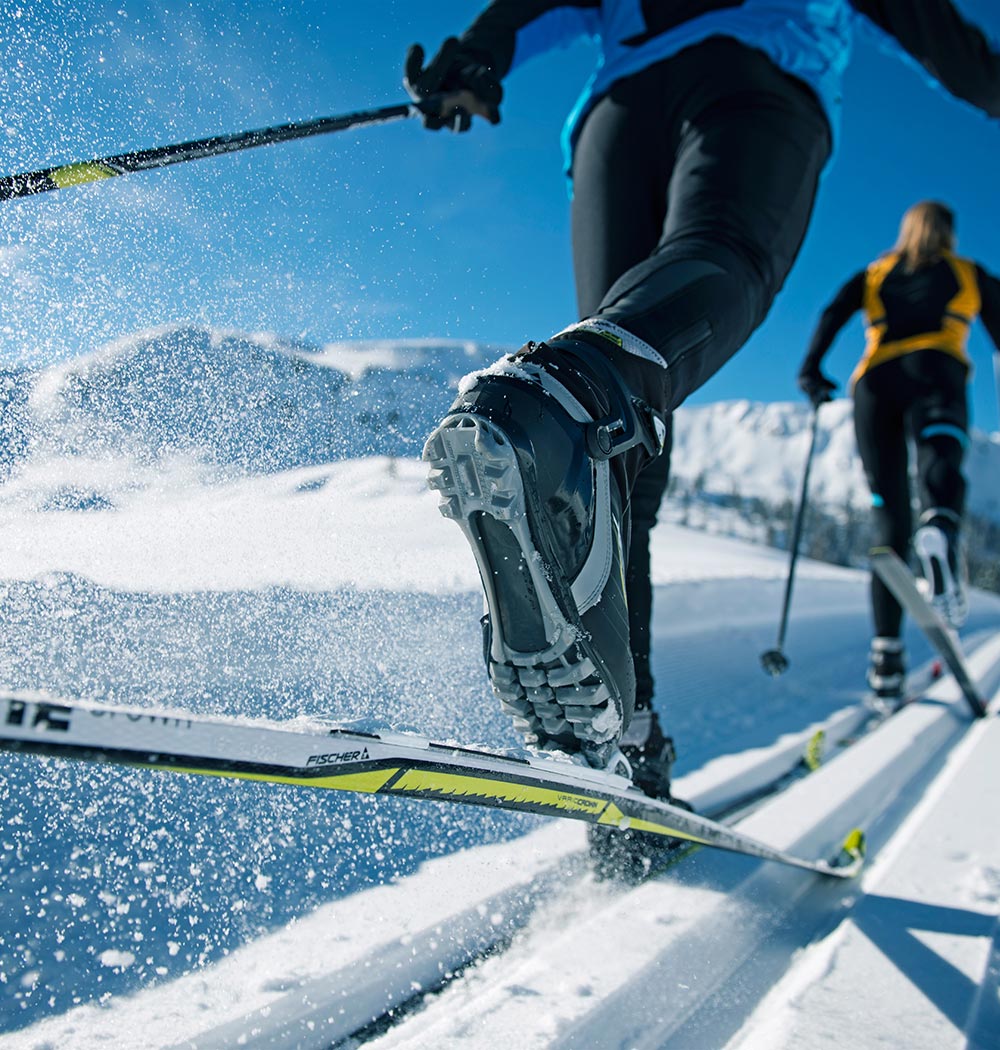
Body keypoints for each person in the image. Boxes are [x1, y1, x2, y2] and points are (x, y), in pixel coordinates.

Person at [407, 2, 1000, 792]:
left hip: (618, 116)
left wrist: (481, 53)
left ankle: (630, 738)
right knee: (709, 271)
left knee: (614, 424)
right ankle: (580, 393)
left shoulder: (881, 278)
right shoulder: (958, 273)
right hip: (758, 77)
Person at [798, 201, 1000, 700]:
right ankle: (942, 525)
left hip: (875, 384)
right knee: (939, 453)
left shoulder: (875, 273)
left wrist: (811, 372)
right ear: (949, 233)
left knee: (888, 517)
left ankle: (885, 658)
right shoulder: (968, 273)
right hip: (937, 371)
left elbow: (830, 314)